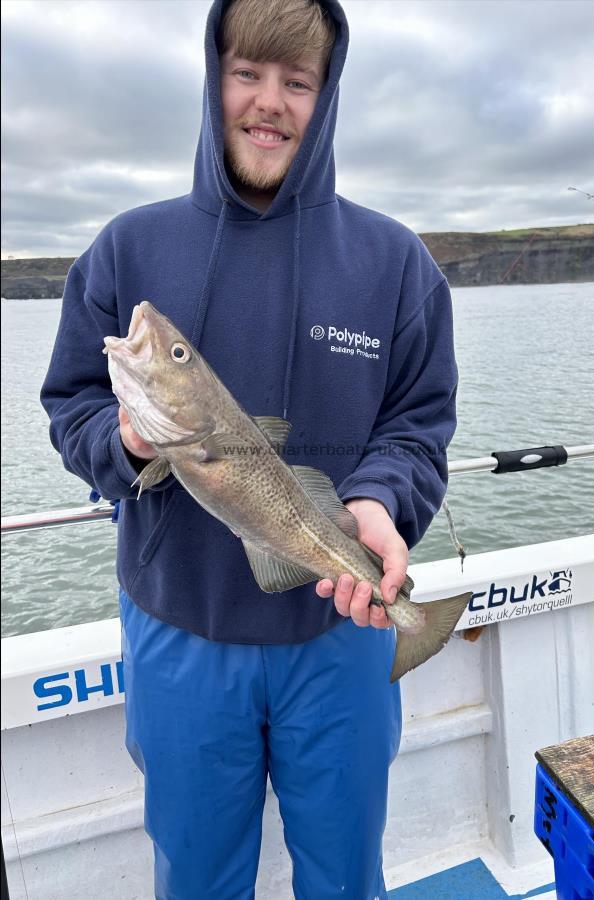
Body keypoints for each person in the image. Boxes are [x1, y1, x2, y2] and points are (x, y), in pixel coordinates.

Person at [41, 1, 459, 897]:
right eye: (246, 73)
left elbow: (417, 426)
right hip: (177, 629)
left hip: (339, 628)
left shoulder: (395, 262)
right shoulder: (127, 248)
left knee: (345, 875)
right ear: (210, 78)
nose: (269, 102)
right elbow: (70, 404)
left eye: (297, 81)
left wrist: (379, 500)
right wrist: (123, 436)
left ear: (327, 94)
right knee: (196, 878)